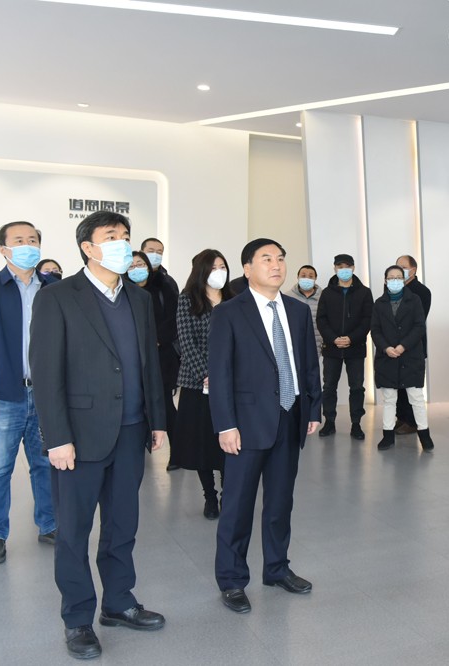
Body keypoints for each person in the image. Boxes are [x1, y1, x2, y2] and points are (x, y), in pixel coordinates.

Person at [30, 211, 167, 659]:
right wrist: (56, 438)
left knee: (123, 524)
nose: (123, 244)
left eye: (126, 236)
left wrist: (157, 420)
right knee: (73, 532)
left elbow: (149, 363)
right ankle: (77, 619)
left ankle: (119, 602)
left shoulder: (138, 298)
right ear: (88, 247)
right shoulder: (57, 297)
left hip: (130, 431)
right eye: (112, 236)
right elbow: (46, 374)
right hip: (79, 436)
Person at [208, 238, 321, 614]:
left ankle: (276, 568)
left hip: (289, 417)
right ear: (247, 268)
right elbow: (220, 374)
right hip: (245, 424)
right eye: (266, 259)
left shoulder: (298, 311)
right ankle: (231, 580)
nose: (276, 265)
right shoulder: (229, 312)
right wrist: (226, 425)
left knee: (280, 502)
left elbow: (308, 364)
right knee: (237, 505)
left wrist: (313, 408)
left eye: (281, 259)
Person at [0, 220, 57, 566]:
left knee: (45, 464)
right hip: (3, 395)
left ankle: (49, 524)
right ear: (3, 249)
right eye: (19, 240)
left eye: (32, 239)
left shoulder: (54, 288)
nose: (27, 245)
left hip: (46, 394)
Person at [173, 250, 233, 519]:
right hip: (198, 384)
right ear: (201, 271)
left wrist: (225, 375)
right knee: (203, 443)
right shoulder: (187, 299)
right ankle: (210, 495)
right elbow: (186, 342)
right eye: (213, 267)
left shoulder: (233, 299)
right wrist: (206, 374)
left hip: (230, 382)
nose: (219, 272)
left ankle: (228, 493)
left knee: (230, 441)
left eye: (223, 267)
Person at [129, 250, 181, 472]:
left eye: (140, 264)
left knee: (165, 405)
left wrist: (155, 340)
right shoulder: (124, 291)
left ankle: (177, 453)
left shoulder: (163, 287)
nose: (136, 269)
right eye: (131, 266)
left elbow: (174, 319)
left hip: (162, 357)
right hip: (132, 358)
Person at [371, 265, 432, 451]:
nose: (395, 280)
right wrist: (386, 347)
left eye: (398, 277)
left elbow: (419, 326)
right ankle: (387, 436)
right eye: (391, 278)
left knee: (416, 398)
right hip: (387, 358)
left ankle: (424, 435)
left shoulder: (415, 300)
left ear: (404, 280)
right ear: (385, 280)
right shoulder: (379, 303)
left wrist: (403, 346)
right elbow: (375, 330)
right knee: (389, 400)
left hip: (411, 356)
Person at [316, 253, 373, 440]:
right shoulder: (327, 293)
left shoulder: (364, 292)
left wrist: (351, 338)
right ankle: (329, 422)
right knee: (328, 387)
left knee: (356, 387)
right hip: (331, 348)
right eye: (340, 267)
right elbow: (321, 320)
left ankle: (356, 424)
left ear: (353, 268)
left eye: (347, 266)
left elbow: (367, 319)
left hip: (355, 348)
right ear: (335, 269)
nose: (344, 270)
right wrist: (333, 339)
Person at [394, 254, 432, 435]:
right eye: (397, 266)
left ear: (413, 269)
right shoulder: (392, 288)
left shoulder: (422, 291)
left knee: (412, 386)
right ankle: (401, 418)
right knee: (397, 386)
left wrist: (403, 342)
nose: (399, 270)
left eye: (403, 267)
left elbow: (418, 321)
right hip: (393, 347)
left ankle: (412, 421)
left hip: (413, 346)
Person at [288, 265, 323, 363]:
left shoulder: (324, 297)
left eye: (311, 276)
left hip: (316, 344)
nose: (307, 278)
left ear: (315, 278)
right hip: (294, 344)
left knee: (313, 370)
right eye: (303, 276)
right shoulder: (287, 297)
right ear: (298, 277)